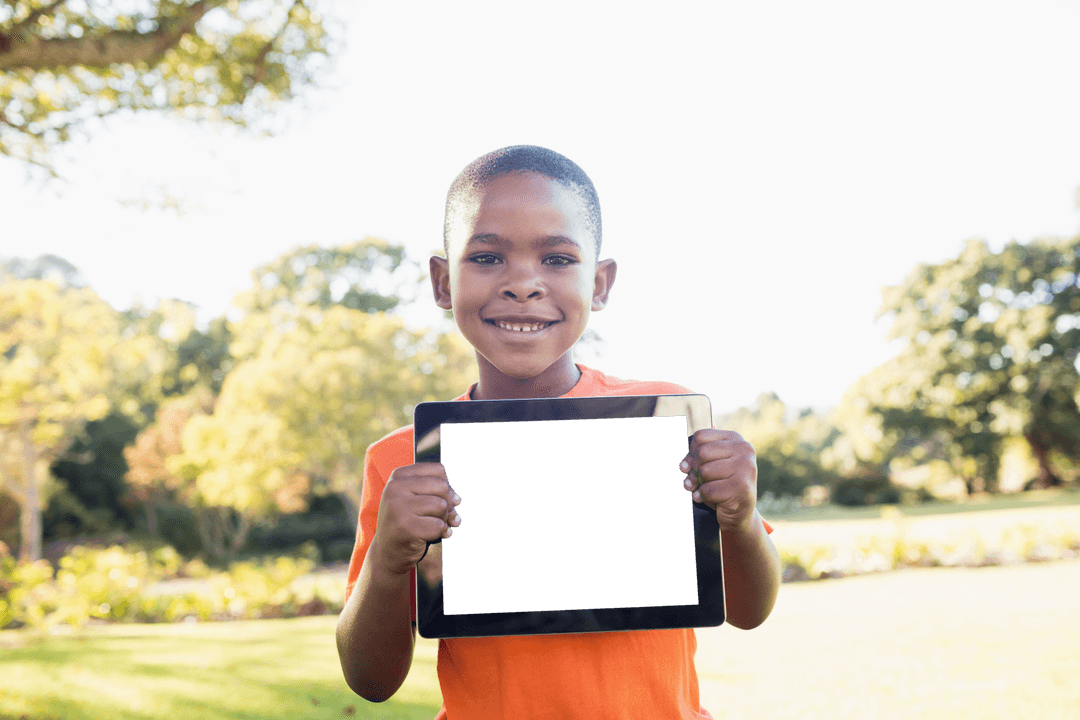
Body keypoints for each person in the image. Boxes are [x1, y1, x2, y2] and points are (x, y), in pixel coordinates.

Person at [336, 145, 781, 718]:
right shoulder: (404, 461)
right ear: (443, 282)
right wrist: (388, 558)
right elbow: (370, 680)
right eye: (488, 258)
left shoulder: (663, 426)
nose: (524, 284)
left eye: (557, 259)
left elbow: (749, 611)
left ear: (600, 283)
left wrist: (741, 517)